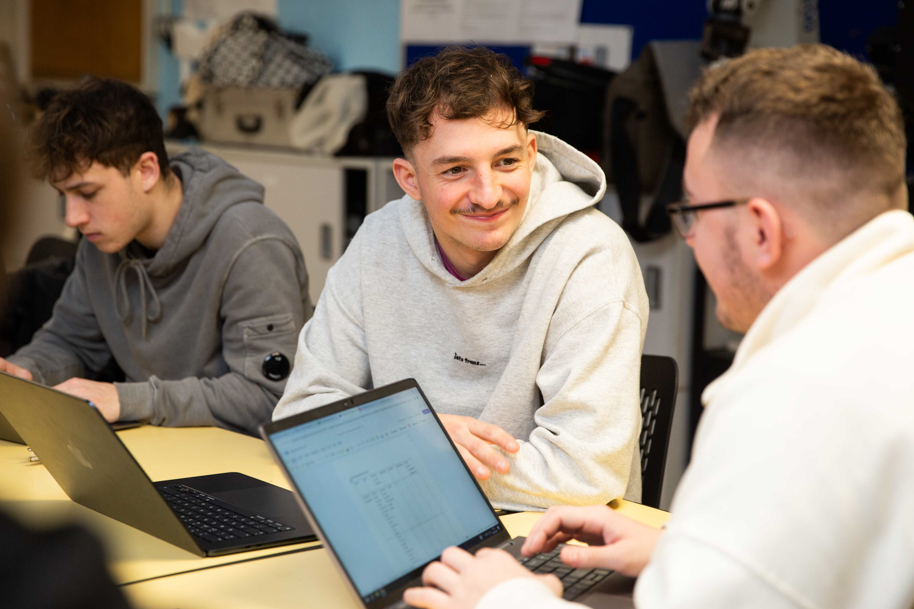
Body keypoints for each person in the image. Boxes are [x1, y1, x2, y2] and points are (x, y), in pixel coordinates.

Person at [401, 44, 914, 609]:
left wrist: (502, 599)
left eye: (692, 210)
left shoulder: (795, 391)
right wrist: (685, 554)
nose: (689, 237)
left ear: (762, 232)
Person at [273, 47, 649, 510]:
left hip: (548, 536)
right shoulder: (379, 241)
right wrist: (416, 443)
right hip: (404, 512)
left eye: (506, 162)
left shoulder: (590, 255)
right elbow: (300, 418)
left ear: (531, 153)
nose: (488, 194)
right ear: (409, 180)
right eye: (456, 170)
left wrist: (410, 450)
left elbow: (586, 472)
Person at [0, 77, 312, 435]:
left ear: (146, 171)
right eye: (64, 196)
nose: (73, 218)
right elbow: (71, 342)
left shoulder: (251, 243)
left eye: (87, 192)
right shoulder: (103, 243)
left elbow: (268, 397)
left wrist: (128, 400)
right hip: (159, 448)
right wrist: (26, 372)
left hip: (241, 464)